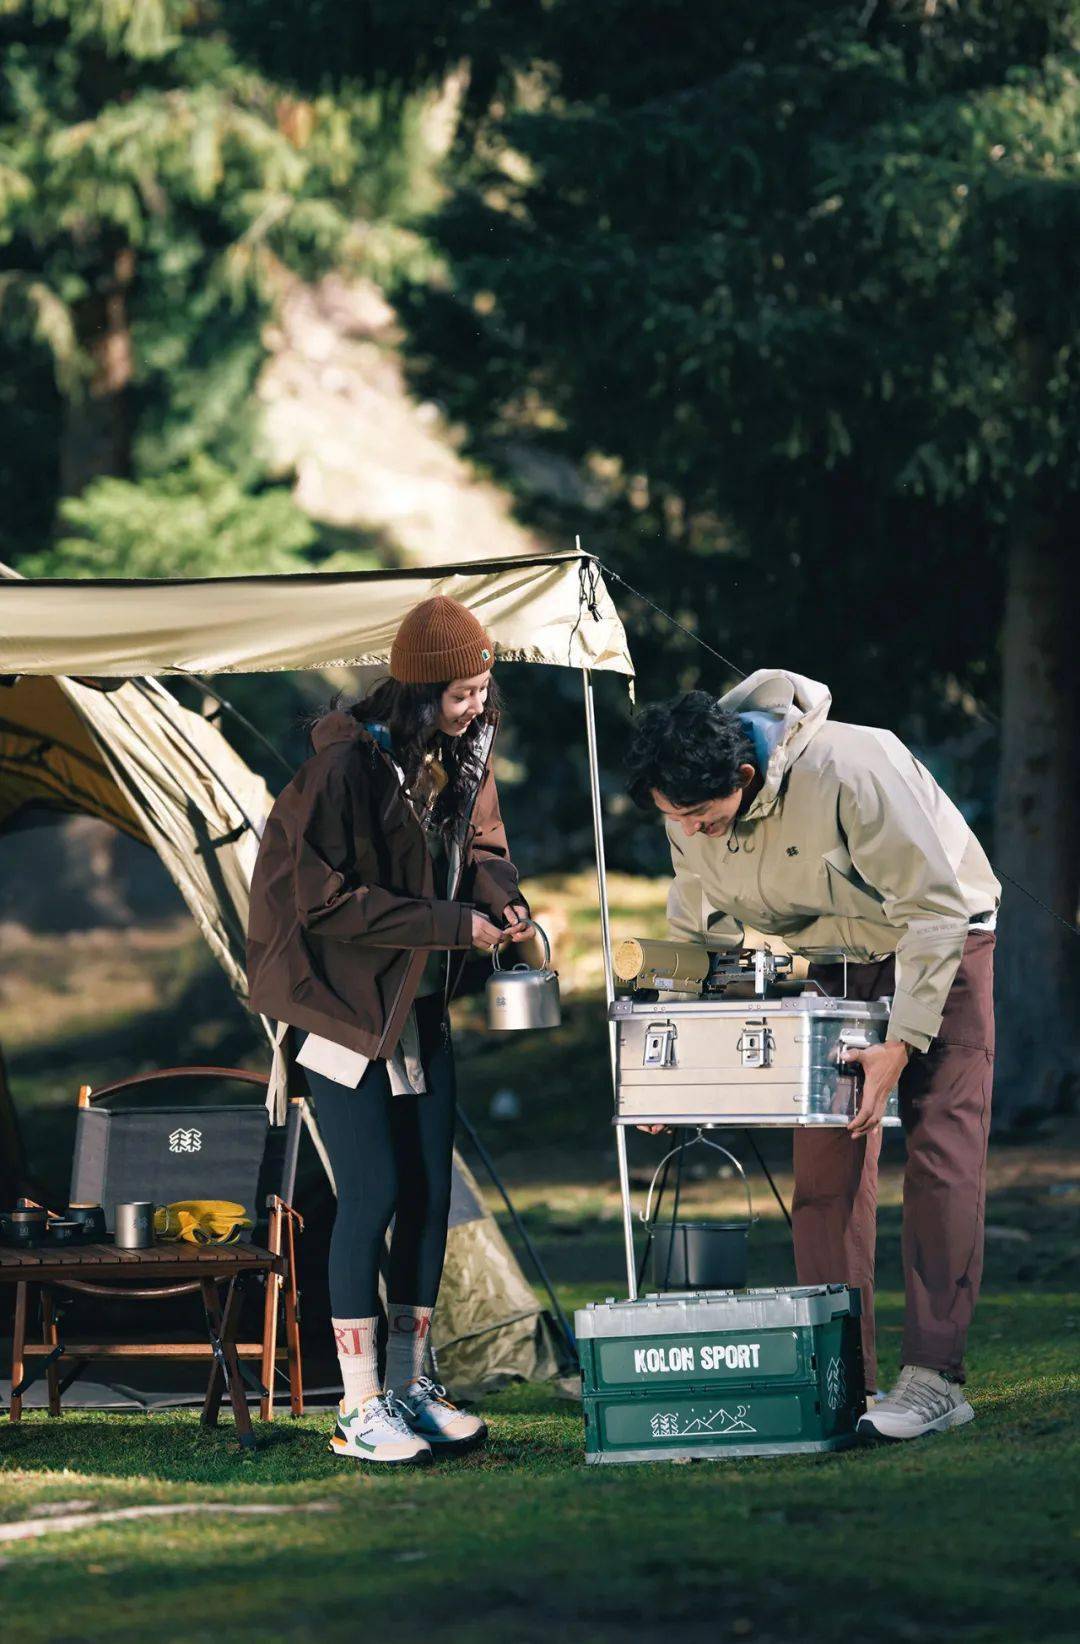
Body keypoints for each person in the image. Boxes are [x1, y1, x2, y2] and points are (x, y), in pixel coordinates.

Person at [624, 670, 1000, 1443]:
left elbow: (935, 908)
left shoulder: (856, 768)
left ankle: (935, 1376)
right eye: (673, 818)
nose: (688, 832)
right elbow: (696, 935)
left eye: (699, 815)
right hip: (833, 961)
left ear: (747, 776)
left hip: (944, 944)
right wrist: (671, 1071)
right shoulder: (687, 805)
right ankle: (841, 1376)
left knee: (941, 1153)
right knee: (824, 1170)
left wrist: (904, 1039)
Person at [247, 596, 532, 1465]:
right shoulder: (345, 770)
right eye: (460, 694)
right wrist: (453, 927)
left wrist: (503, 901)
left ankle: (409, 1388)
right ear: (415, 692)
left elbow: (482, 849)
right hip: (337, 1006)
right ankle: (359, 1408)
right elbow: (325, 904)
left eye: (484, 689)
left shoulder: (466, 755)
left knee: (431, 1202)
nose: (476, 705)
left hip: (415, 1002)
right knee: (369, 1195)